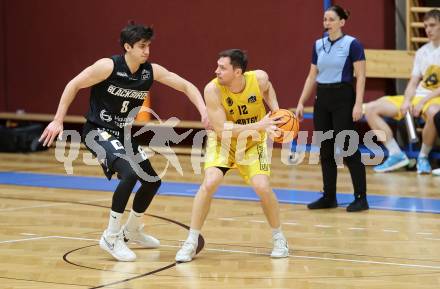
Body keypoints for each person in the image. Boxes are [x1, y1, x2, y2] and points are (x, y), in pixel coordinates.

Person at [39, 23, 209, 262]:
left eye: (148, 46)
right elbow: (73, 84)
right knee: (129, 174)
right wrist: (58, 120)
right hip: (97, 131)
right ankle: (111, 236)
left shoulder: (150, 71)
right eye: (142, 46)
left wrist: (203, 111)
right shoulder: (107, 66)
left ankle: (132, 230)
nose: (147, 51)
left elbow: (186, 86)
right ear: (128, 47)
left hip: (122, 134)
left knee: (152, 181)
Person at [175, 49, 289, 262]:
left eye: (222, 67)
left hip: (253, 143)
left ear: (238, 72)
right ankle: (191, 241)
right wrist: (261, 124)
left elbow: (268, 89)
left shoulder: (260, 78)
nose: (216, 70)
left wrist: (276, 113)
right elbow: (221, 130)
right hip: (224, 142)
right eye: (217, 66)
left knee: (262, 187)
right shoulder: (212, 90)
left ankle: (279, 237)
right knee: (210, 182)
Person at [295, 5, 368, 212]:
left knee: (348, 148)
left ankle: (361, 197)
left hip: (343, 98)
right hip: (323, 99)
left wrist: (358, 104)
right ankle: (329, 196)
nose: (326, 23)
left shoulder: (352, 44)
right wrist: (301, 101)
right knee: (325, 149)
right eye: (325, 19)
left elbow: (361, 76)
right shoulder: (318, 45)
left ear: (341, 22)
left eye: (331, 19)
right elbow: (312, 76)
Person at [364, 9, 440, 174]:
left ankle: (423, 157)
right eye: (426, 26)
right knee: (370, 108)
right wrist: (407, 100)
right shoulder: (422, 52)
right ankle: (396, 154)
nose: (428, 29)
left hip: (434, 98)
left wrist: (422, 102)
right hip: (418, 97)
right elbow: (413, 82)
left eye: (432, 25)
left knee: (435, 112)